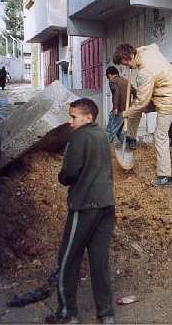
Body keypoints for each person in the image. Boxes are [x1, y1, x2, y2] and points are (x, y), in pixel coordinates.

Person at [45, 99, 116, 324]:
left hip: (85, 205)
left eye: (74, 116)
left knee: (68, 258)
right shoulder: (103, 135)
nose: (70, 121)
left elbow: (70, 172)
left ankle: (67, 313)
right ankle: (106, 314)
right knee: (99, 261)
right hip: (106, 205)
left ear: (88, 117)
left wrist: (62, 177)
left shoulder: (79, 137)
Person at [113, 43, 172, 187]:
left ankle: (165, 176)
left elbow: (142, 102)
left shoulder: (144, 73)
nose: (126, 68)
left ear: (129, 57)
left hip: (170, 98)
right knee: (134, 108)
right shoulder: (145, 50)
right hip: (160, 90)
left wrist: (124, 113)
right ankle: (131, 139)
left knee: (160, 135)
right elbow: (155, 45)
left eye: (125, 64)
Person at [105, 66, 136, 146]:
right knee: (119, 130)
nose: (109, 79)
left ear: (110, 75)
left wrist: (115, 107)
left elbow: (116, 93)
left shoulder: (112, 82)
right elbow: (135, 92)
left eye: (108, 77)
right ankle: (128, 144)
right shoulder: (126, 81)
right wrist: (132, 103)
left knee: (111, 129)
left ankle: (104, 146)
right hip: (127, 110)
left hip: (119, 110)